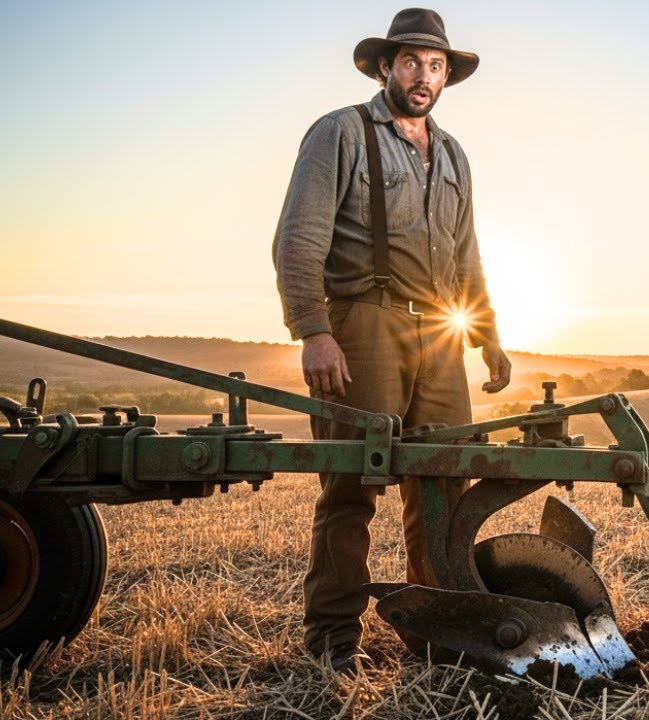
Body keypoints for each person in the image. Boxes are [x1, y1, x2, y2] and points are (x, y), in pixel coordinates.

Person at [272, 7, 511, 672]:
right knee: (351, 486)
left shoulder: (454, 154)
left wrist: (487, 333)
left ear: (446, 76)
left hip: (440, 332)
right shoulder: (340, 133)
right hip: (363, 323)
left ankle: (438, 637)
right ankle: (332, 644)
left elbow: (468, 254)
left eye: (435, 65)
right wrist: (314, 331)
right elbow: (298, 237)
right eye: (410, 61)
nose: (423, 75)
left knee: (443, 485)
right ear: (384, 67)